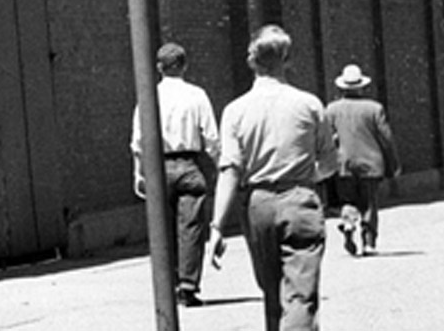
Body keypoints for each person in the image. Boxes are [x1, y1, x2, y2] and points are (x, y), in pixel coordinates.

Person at [209, 25, 333, 331]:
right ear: (287, 59)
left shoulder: (235, 111)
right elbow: (330, 162)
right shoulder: (310, 104)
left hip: (257, 203)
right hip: (300, 200)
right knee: (300, 295)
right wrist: (305, 177)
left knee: (271, 291)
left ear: (252, 62)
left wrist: (216, 227)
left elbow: (230, 170)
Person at [130, 41, 221, 306]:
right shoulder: (196, 95)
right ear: (184, 65)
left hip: (158, 166)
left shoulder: (148, 96)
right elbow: (212, 139)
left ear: (159, 67)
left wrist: (139, 173)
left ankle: (166, 283)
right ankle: (188, 285)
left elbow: (138, 140)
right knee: (191, 228)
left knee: (163, 228)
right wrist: (219, 167)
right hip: (189, 165)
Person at [320, 63, 400, 256]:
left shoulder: (331, 109)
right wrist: (393, 163)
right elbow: (386, 138)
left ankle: (348, 223)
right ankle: (369, 242)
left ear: (341, 87)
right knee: (369, 202)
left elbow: (326, 138)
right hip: (371, 163)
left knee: (348, 198)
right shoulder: (374, 109)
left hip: (344, 162)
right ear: (361, 86)